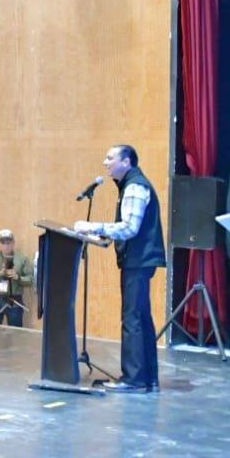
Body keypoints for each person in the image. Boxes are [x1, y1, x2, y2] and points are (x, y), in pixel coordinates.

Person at [74, 144, 166, 392]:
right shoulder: (130, 184)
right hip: (139, 260)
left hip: (138, 261)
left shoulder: (135, 186)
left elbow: (129, 228)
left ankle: (134, 380)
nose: (105, 163)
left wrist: (94, 227)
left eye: (110, 158)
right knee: (141, 318)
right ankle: (148, 378)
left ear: (127, 162)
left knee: (133, 319)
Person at [0, 229, 34, 327]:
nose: (6, 246)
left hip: (14, 300)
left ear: (13, 243)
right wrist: (0, 274)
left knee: (16, 334)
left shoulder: (23, 259)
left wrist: (18, 277)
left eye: (8, 242)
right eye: (3, 243)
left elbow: (30, 280)